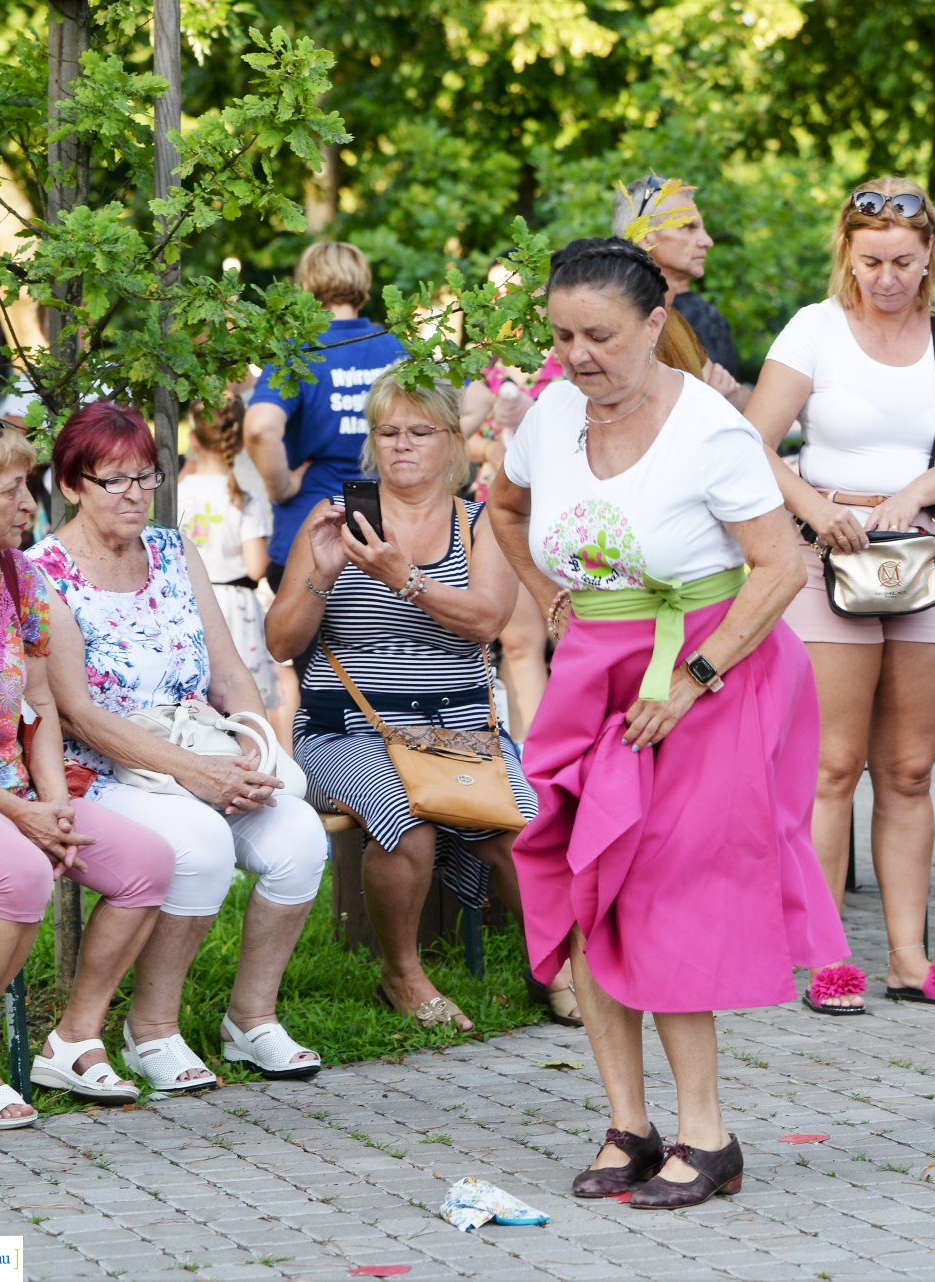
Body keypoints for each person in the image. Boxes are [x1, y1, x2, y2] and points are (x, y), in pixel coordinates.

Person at [486, 237, 847, 1208]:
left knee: (662, 893)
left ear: (654, 324)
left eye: (598, 334)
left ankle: (708, 1136)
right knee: (577, 885)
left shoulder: (710, 432)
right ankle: (628, 1127)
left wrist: (692, 677)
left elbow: (777, 570)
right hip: (593, 671)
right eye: (562, 335)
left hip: (709, 666)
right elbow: (504, 504)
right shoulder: (549, 414)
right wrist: (547, 597)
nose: (577, 354)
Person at [745, 178, 935, 1013]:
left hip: (930, 552)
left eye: (904, 260)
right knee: (833, 766)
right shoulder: (816, 330)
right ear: (848, 255)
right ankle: (830, 958)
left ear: (931, 252)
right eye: (872, 261)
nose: (889, 277)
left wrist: (921, 488)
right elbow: (749, 443)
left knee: (907, 768)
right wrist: (818, 508)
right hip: (832, 557)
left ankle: (909, 955)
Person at [32, 402, 329, 1089]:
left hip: (200, 748)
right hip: (105, 769)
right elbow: (76, 713)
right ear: (72, 484)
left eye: (146, 476)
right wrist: (198, 773)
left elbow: (230, 674)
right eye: (114, 480)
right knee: (198, 843)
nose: (135, 494)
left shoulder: (173, 549)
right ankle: (151, 1031)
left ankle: (251, 1019)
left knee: (300, 836)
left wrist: (253, 751)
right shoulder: (45, 571)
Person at [0, 415, 174, 1126]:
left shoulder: (20, 575)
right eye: (14, 490)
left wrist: (56, 807)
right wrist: (23, 816)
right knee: (19, 870)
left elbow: (41, 705)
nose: (30, 505)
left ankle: (74, 1036)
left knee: (147, 863)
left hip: (16, 794)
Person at [268, 372, 546, 1032]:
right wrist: (321, 575)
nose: (401, 446)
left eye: (419, 432)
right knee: (405, 815)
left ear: (453, 442)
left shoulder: (480, 522)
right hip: (344, 730)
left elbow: (486, 620)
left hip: (458, 729)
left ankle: (554, 969)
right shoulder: (332, 517)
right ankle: (402, 975)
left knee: (530, 828)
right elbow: (281, 640)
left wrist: (405, 578)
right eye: (387, 433)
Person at [245, 243, 410, 737]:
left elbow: (259, 429)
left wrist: (281, 486)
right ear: (361, 281)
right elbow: (462, 408)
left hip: (308, 530)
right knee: (382, 670)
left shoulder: (300, 349)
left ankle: (322, 772)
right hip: (386, 533)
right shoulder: (394, 348)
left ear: (307, 284)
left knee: (307, 671)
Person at [457, 253, 563, 739]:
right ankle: (530, 766)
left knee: (577, 641)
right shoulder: (487, 367)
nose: (506, 302)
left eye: (516, 289)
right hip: (506, 516)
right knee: (519, 644)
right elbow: (452, 441)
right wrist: (490, 446)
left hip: (570, 516)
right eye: (495, 291)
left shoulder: (575, 358)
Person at [179, 395, 281, 710]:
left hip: (190, 605)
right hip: (236, 611)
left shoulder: (177, 493)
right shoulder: (244, 499)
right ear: (238, 445)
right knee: (243, 703)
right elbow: (255, 567)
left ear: (193, 440)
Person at [613, 174, 748, 407]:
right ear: (645, 237)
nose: (707, 241)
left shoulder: (674, 320)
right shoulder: (620, 326)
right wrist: (710, 399)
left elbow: (739, 398)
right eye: (688, 227)